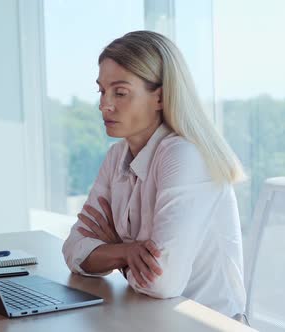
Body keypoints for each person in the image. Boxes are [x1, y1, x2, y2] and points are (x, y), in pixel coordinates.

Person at [61, 30, 247, 320]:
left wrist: (109, 249)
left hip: (205, 323)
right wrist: (126, 252)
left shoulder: (184, 156)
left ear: (160, 97)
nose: (104, 104)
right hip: (152, 317)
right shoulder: (116, 156)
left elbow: (162, 283)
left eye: (120, 92)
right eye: (102, 90)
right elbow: (73, 250)